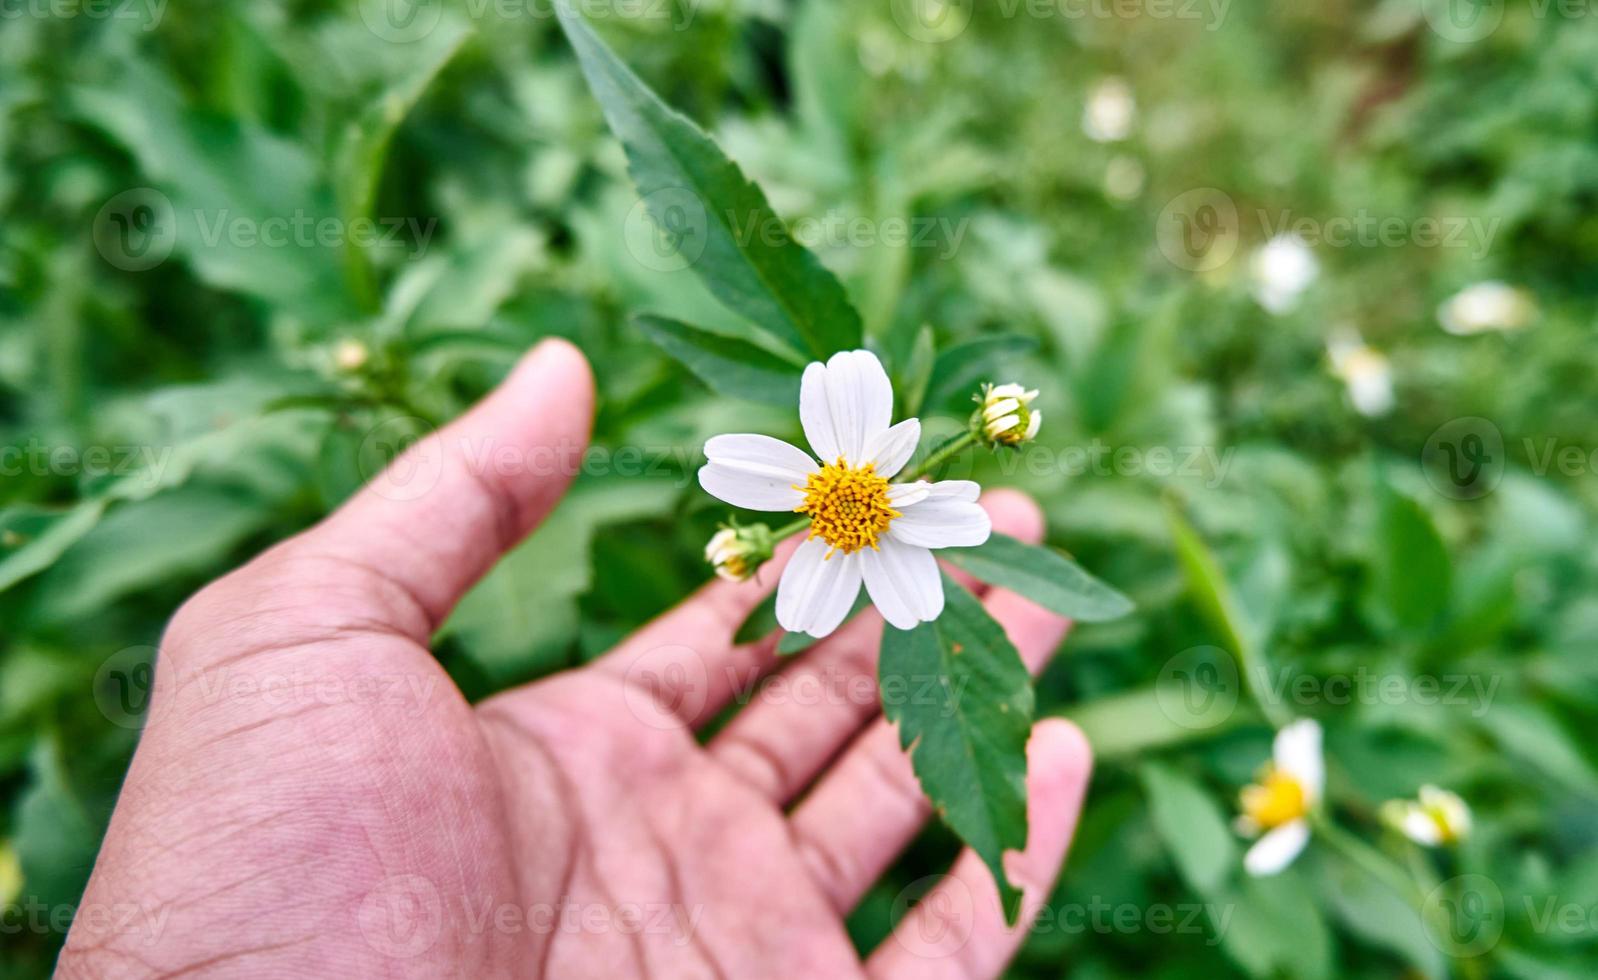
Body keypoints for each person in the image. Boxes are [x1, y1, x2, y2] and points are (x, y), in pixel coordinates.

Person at [58, 340, 1091, 979]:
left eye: (853, 502)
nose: (846, 504)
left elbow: (897, 566)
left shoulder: (872, 521)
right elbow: (814, 561)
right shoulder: (806, 516)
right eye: (840, 500)